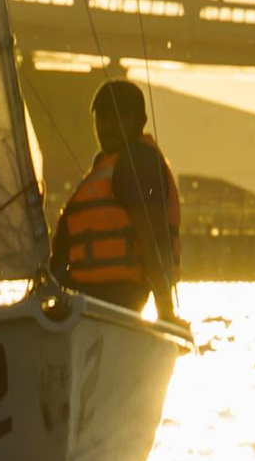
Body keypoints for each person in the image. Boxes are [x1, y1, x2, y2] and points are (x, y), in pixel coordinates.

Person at [52, 78, 181, 320]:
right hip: (83, 298)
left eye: (120, 118)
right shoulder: (102, 168)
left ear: (140, 122)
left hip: (121, 297)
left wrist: (165, 311)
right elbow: (62, 253)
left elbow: (151, 236)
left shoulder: (139, 161)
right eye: (103, 118)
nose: (109, 126)